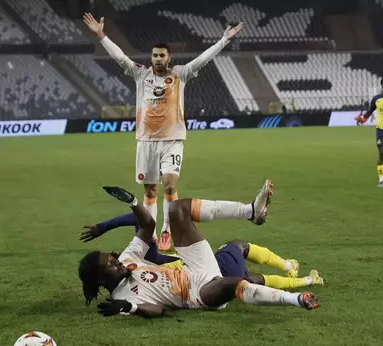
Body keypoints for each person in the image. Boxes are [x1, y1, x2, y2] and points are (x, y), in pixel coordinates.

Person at [83, 13, 243, 252]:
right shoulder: (141, 74)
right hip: (146, 141)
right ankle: (152, 232)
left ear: (169, 58)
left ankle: (168, 228)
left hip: (173, 140)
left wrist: (224, 40)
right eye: (155, 55)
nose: (158, 59)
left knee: (169, 186)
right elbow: (120, 58)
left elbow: (202, 59)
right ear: (151, 58)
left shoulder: (179, 75)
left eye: (162, 55)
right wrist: (101, 35)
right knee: (150, 190)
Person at [78, 180, 320, 318]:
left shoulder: (129, 258)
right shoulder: (121, 298)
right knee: (234, 282)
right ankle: (296, 299)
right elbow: (158, 310)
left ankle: (251, 211)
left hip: (193, 266)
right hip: (196, 292)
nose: (116, 260)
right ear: (100, 280)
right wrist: (130, 308)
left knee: (177, 209)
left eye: (112, 257)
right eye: (110, 264)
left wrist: (133, 202)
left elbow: (147, 224)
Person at [79, 212, 323, 290]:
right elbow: (140, 221)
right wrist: (104, 226)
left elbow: (139, 222)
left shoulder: (128, 276)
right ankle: (292, 269)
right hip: (200, 273)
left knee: (246, 280)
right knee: (237, 247)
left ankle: (305, 280)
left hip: (197, 279)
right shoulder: (143, 258)